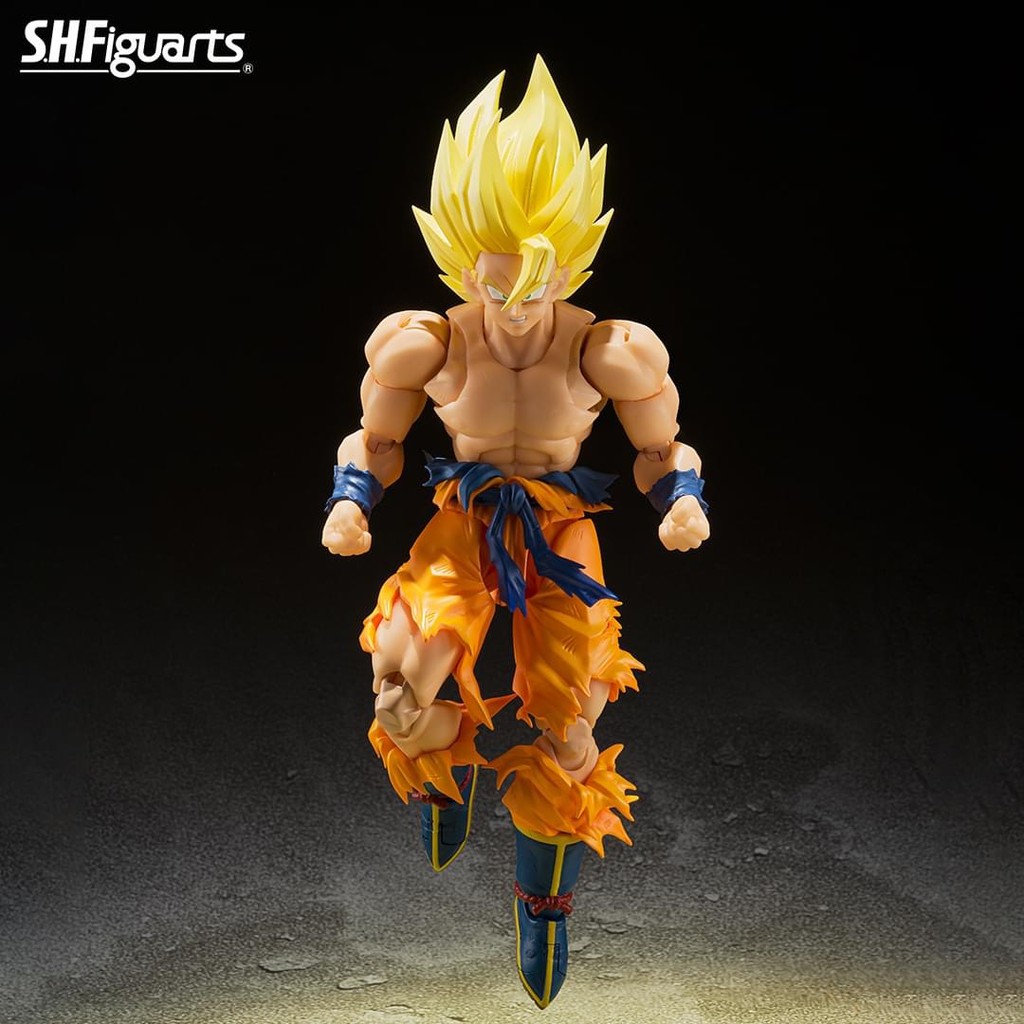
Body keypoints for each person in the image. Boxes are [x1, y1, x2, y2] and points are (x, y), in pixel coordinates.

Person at [321, 54, 709, 1009]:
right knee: (396, 698)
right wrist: (349, 501)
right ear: (464, 267)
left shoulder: (610, 349)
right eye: (498, 286)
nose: (518, 306)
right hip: (465, 520)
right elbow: (377, 440)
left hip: (560, 533)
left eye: (538, 283)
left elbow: (661, 450)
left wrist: (683, 502)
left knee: (571, 726)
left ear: (569, 265)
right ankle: (444, 769)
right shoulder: (427, 340)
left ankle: (542, 904)